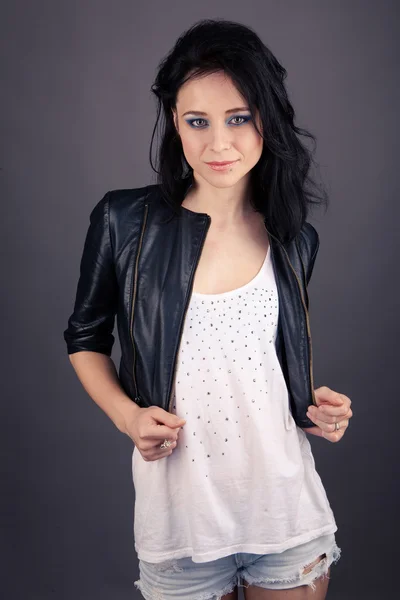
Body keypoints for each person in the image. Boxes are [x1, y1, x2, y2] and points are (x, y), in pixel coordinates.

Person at [63, 18, 353, 600]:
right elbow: (85, 336)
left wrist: (320, 408)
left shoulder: (294, 239)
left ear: (265, 119)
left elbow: (263, 369)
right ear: (175, 121)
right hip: (180, 518)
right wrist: (128, 417)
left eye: (238, 118)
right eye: (198, 121)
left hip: (284, 515)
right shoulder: (124, 223)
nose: (218, 142)